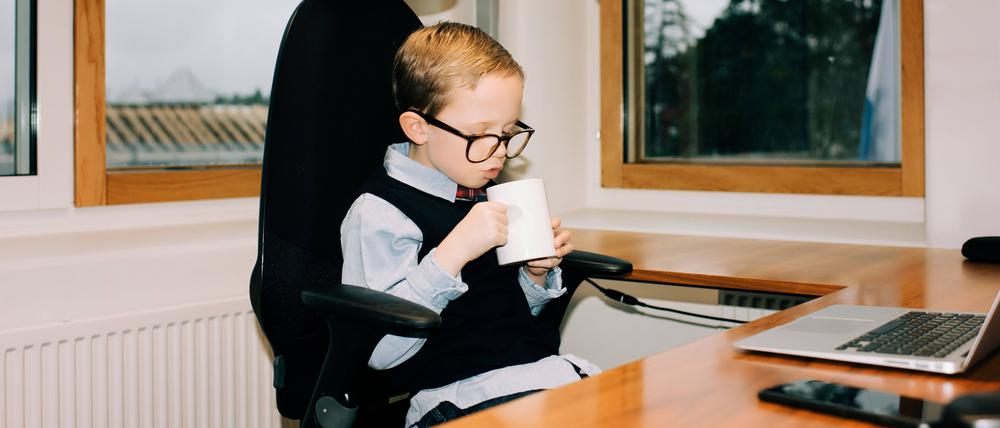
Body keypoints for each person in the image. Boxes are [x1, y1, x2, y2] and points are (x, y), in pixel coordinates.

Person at [340, 22, 599, 427]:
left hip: (532, 376)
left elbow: (494, 315)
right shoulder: (380, 212)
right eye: (481, 134)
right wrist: (453, 253)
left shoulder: (476, 185)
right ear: (418, 127)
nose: (499, 153)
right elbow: (378, 350)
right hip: (451, 396)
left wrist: (534, 277)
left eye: (508, 132)